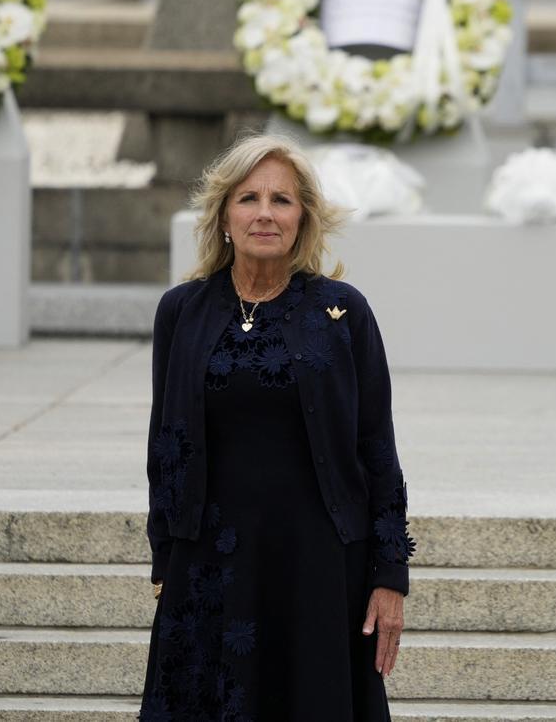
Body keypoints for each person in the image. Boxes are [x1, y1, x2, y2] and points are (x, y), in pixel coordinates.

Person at [139, 134, 414, 721]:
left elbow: (377, 449)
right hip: (208, 563)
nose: (265, 213)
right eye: (249, 198)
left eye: (282, 200)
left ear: (304, 218)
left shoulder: (343, 312)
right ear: (224, 216)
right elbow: (165, 443)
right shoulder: (180, 310)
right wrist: (166, 558)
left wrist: (390, 575)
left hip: (316, 566)